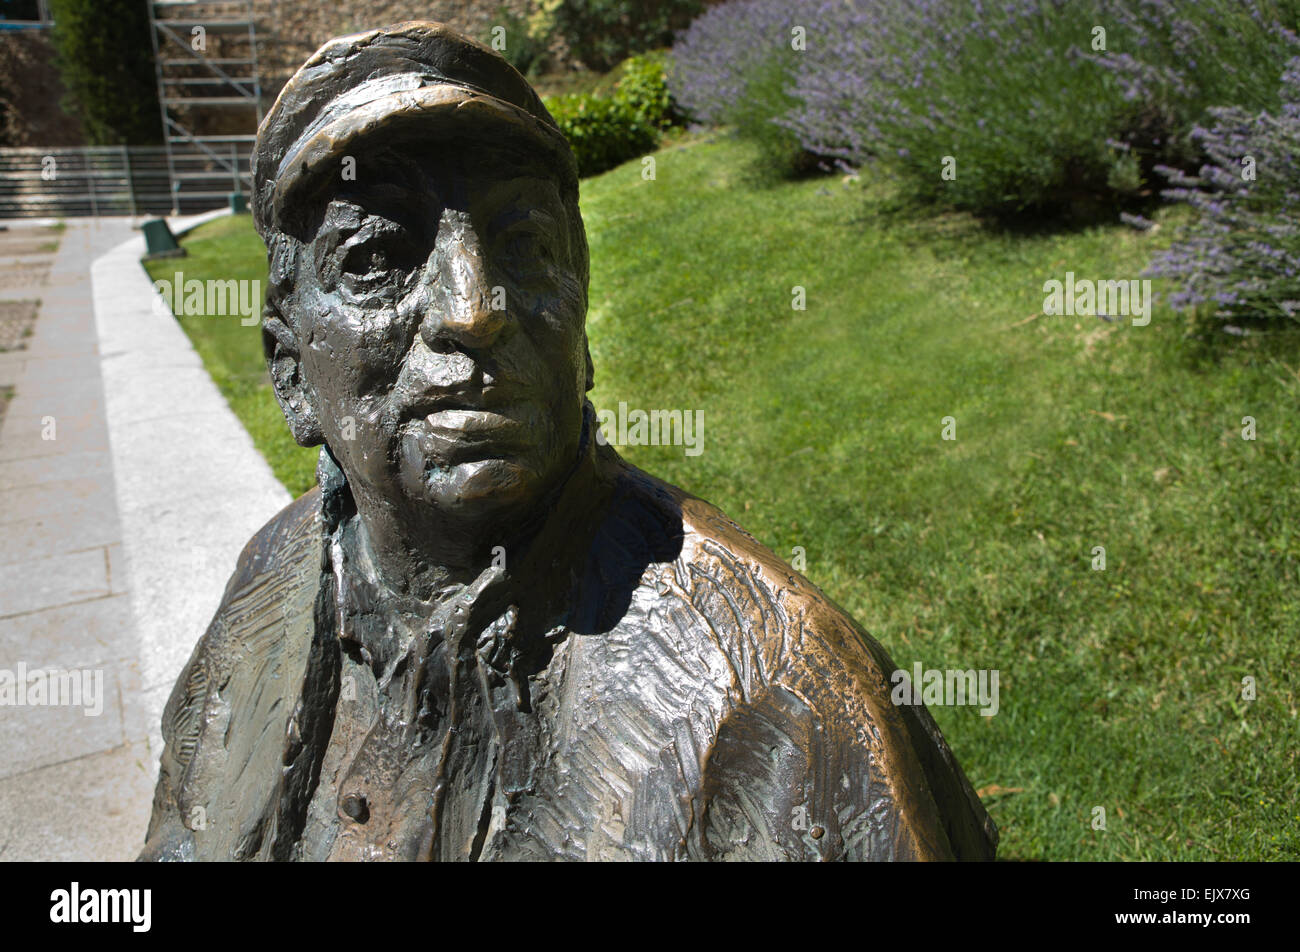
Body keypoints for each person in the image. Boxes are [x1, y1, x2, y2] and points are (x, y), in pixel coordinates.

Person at [140, 21, 997, 862]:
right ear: (292, 373)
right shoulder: (271, 583)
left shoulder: (775, 695)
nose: (474, 310)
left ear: (581, 324)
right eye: (375, 260)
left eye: (523, 246)